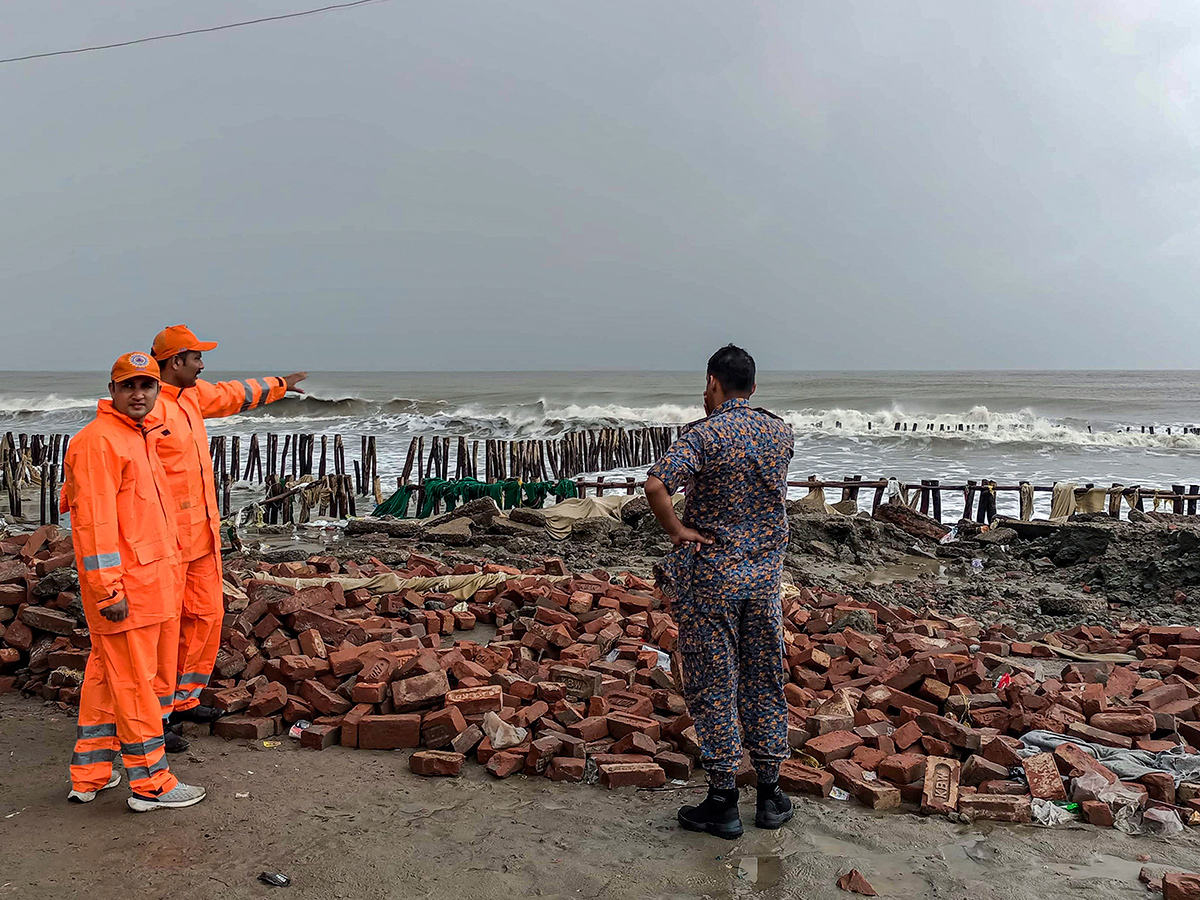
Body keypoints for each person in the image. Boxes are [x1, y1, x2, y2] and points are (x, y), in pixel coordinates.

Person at [644, 345, 794, 839]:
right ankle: (771, 795)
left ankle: (723, 800)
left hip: (713, 581)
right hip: (764, 580)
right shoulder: (780, 433)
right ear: (752, 387)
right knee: (764, 678)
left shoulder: (703, 437)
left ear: (712, 383)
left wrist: (677, 532)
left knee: (715, 683)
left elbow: (655, 486)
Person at [149, 324, 307, 751]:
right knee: (164, 629)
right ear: (175, 361)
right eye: (196, 357)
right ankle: (154, 718)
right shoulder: (148, 409)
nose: (203, 364)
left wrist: (279, 385)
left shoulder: (191, 397)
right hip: (163, 542)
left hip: (201, 536)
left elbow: (233, 393)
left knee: (204, 616)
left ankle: (184, 700)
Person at [63, 352, 206, 812]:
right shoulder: (99, 443)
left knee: (109, 680)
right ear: (112, 391)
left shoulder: (138, 437)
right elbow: (94, 529)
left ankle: (89, 775)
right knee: (137, 686)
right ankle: (151, 785)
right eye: (129, 386)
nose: (139, 394)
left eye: (146, 386)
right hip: (127, 594)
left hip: (151, 586)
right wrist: (109, 591)